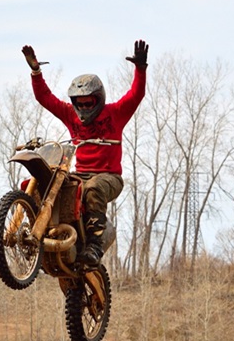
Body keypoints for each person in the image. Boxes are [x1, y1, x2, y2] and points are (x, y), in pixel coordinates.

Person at [21, 40, 148, 267]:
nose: (85, 108)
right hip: (80, 175)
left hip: (109, 177)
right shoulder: (70, 115)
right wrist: (35, 71)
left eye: (89, 103)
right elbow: (45, 98)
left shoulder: (115, 114)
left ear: (98, 99)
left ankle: (95, 246)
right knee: (49, 186)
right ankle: (38, 240)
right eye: (81, 103)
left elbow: (135, 95)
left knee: (92, 188)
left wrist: (140, 69)